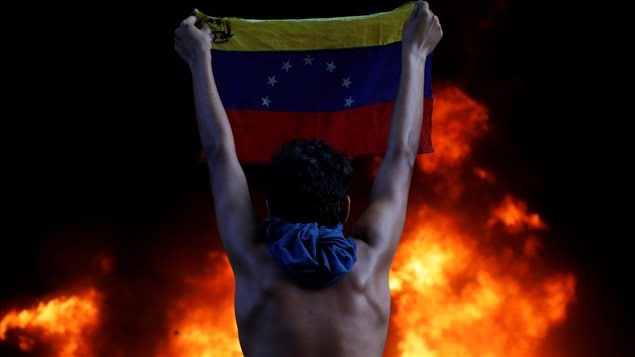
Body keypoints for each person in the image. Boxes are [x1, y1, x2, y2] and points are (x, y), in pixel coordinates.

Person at [174, 1, 442, 355]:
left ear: (269, 208)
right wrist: (415, 54)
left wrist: (200, 60)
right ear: (345, 209)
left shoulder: (255, 263)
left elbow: (221, 152)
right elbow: (403, 156)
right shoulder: (370, 260)